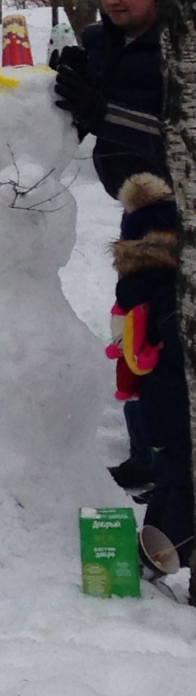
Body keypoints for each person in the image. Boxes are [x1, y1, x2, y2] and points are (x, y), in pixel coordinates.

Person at [52, 0, 168, 489]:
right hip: (134, 206)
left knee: (162, 334)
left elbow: (174, 136)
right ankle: (145, 453)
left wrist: (103, 111)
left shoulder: (176, 46)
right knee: (131, 328)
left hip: (175, 210)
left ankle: (168, 459)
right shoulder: (102, 40)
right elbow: (82, 116)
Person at [106, 174, 190, 579]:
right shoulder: (172, 297)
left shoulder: (144, 288)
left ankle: (150, 554)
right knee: (183, 487)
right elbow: (180, 349)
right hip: (176, 405)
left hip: (160, 406)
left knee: (174, 481)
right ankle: (168, 557)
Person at [52, 0, 166, 200]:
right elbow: (78, 122)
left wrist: (101, 113)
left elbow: (179, 137)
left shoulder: (181, 51)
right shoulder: (98, 40)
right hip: (132, 199)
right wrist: (59, 91)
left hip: (181, 201)